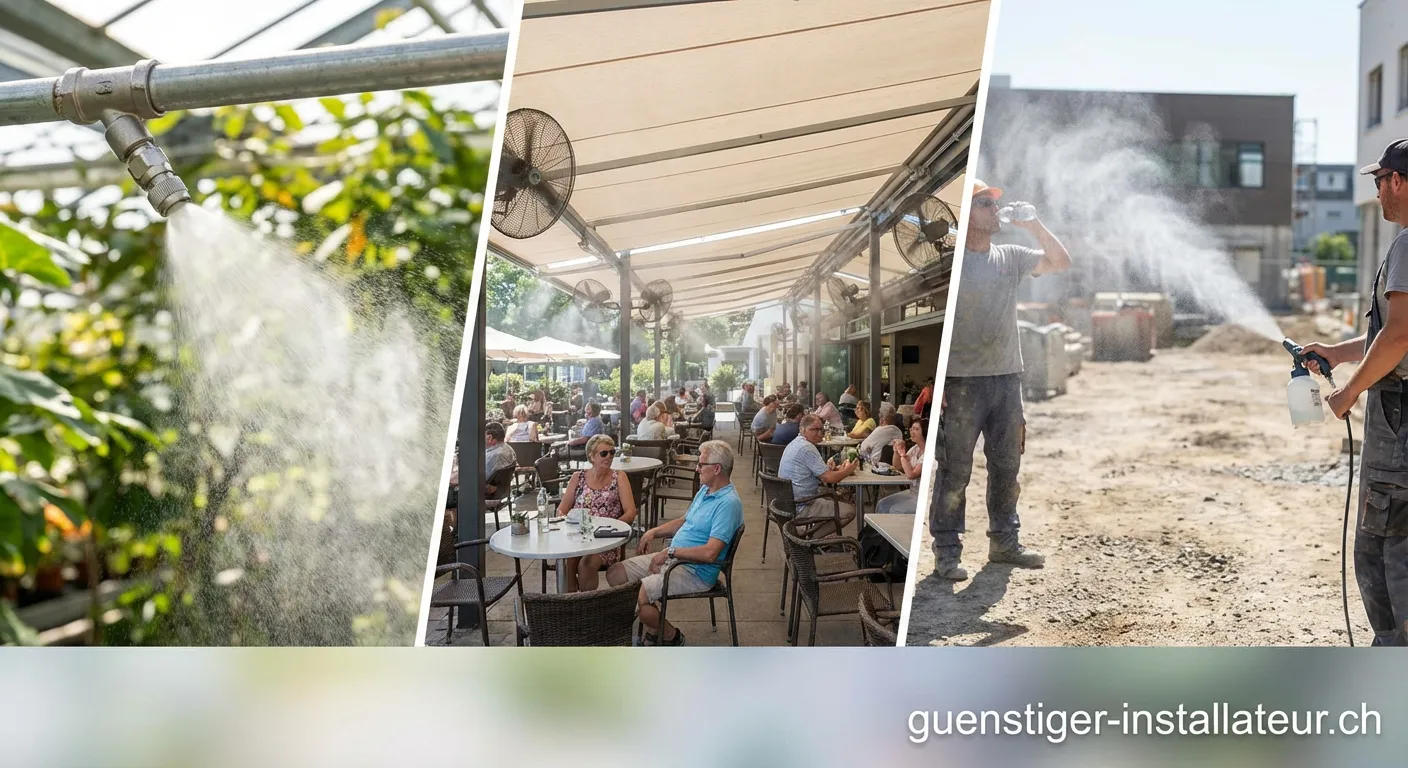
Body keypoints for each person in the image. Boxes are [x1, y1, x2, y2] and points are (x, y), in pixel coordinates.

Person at [931, 179, 1071, 581]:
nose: (995, 210)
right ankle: (947, 552)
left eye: (995, 204)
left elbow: (1060, 261)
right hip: (960, 384)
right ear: (966, 214)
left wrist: (1034, 225)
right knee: (955, 471)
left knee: (1007, 466)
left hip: (1007, 380)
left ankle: (1005, 542)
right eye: (985, 204)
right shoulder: (953, 266)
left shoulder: (1010, 256)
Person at [1304, 139, 1408, 644]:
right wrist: (1338, 351)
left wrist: (1348, 393)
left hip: (1399, 420)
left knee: (1384, 548)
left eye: (1379, 181)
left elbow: (1399, 337)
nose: (1377, 193)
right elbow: (1389, 336)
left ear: (1398, 182)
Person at [606, 440, 743, 646]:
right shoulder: (706, 490)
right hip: (675, 559)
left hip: (695, 571)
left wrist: (671, 552)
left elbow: (710, 554)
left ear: (717, 469)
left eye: (701, 464)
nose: (696, 468)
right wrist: (653, 532)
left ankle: (671, 636)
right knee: (615, 573)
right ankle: (655, 626)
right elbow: (683, 521)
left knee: (638, 595)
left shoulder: (728, 504)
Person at [558, 434, 637, 592]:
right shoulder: (578, 477)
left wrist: (611, 527)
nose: (609, 457)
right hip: (578, 536)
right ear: (592, 456)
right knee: (568, 560)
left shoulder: (619, 477)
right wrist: (566, 522)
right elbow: (562, 509)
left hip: (605, 539)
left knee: (586, 564)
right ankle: (571, 602)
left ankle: (588, 603)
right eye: (603, 453)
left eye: (612, 452)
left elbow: (631, 512)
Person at [779, 415, 857, 536]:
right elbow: (829, 478)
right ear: (803, 430)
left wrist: (831, 469)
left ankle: (810, 534)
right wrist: (848, 469)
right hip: (802, 505)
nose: (819, 433)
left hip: (787, 503)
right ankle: (811, 539)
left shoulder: (795, 443)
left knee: (834, 496)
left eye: (821, 429)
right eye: (814, 429)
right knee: (849, 511)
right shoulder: (807, 448)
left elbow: (818, 472)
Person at [876, 418, 930, 515]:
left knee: (895, 510)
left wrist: (902, 455)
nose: (912, 431)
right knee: (882, 504)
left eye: (916, 429)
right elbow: (898, 467)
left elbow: (911, 474)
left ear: (925, 432)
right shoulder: (915, 449)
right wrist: (896, 452)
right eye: (911, 428)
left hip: (925, 497)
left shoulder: (930, 452)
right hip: (913, 492)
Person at [484, 423, 517, 497]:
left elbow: (480, 478)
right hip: (502, 492)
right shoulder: (509, 449)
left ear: (490, 437)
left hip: (487, 494)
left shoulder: (494, 455)